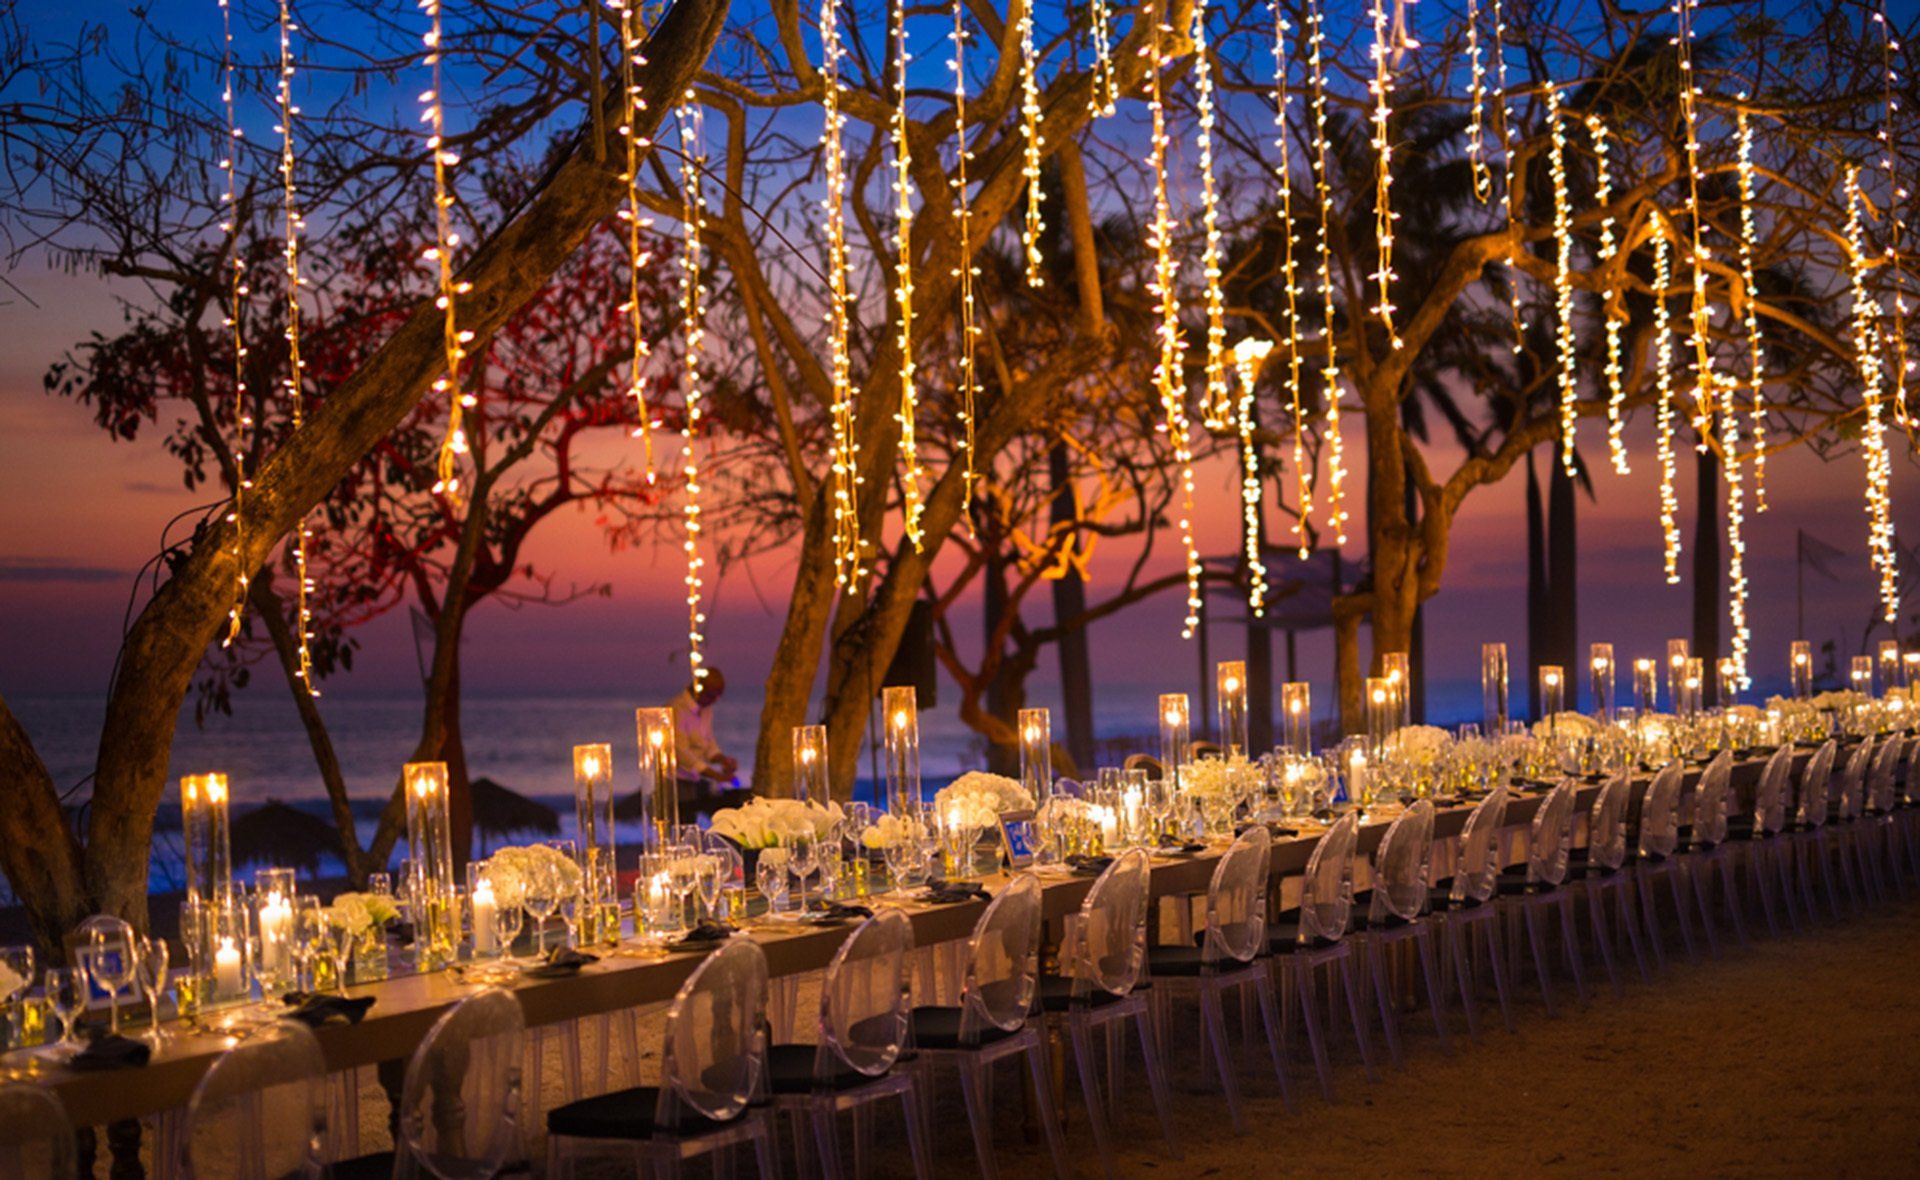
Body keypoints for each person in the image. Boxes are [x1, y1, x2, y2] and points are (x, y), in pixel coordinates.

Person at [670, 669, 738, 783]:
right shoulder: (677, 709)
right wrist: (716, 776)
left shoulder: (706, 709)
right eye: (711, 695)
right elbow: (682, 754)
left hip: (695, 780)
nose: (715, 701)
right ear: (698, 689)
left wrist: (723, 760)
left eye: (718, 696)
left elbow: (709, 745)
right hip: (674, 781)